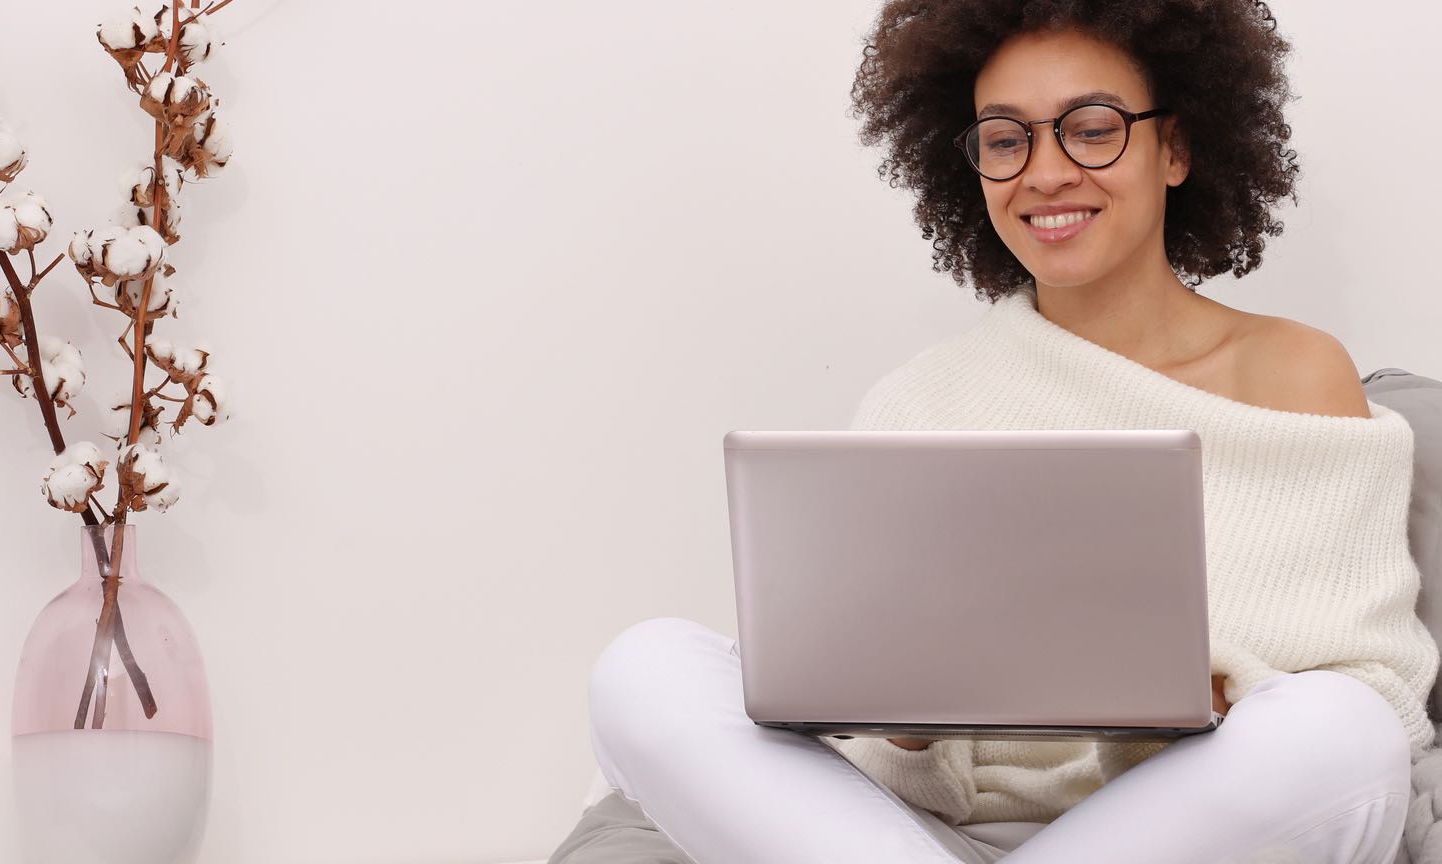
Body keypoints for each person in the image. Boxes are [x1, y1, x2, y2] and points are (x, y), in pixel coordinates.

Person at [552, 2, 1438, 862]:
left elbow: (1381, 699)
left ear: (1176, 146)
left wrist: (1198, 697)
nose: (1044, 173)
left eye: (1091, 128)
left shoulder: (1296, 373)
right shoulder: (920, 404)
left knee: (1340, 731)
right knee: (643, 670)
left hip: (1204, 825)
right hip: (911, 837)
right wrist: (901, 728)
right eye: (1007, 139)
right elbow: (865, 766)